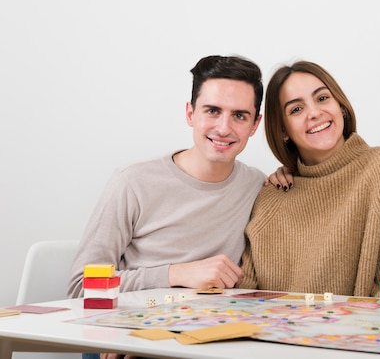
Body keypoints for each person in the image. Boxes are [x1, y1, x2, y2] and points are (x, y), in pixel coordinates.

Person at [67, 54, 266, 300]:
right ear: (190, 114)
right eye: (212, 111)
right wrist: (174, 274)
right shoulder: (132, 182)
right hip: (135, 330)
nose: (224, 128)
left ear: (255, 124)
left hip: (214, 327)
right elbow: (81, 287)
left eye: (239, 116)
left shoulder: (257, 186)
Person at [239, 61, 380, 299]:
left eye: (322, 98)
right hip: (279, 333)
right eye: (296, 109)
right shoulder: (271, 196)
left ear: (341, 107)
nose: (314, 113)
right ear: (283, 130)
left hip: (362, 331)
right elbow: (246, 294)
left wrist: (379, 322)